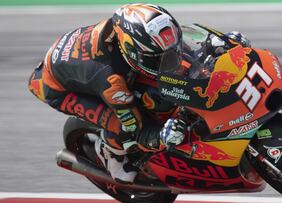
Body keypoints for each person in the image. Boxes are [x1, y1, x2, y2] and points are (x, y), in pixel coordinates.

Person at [28, 3, 186, 183]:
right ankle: (111, 155)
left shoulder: (124, 26)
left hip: (81, 64)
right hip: (57, 89)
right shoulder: (110, 80)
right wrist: (161, 137)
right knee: (123, 125)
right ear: (132, 51)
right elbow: (136, 128)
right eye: (157, 60)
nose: (172, 63)